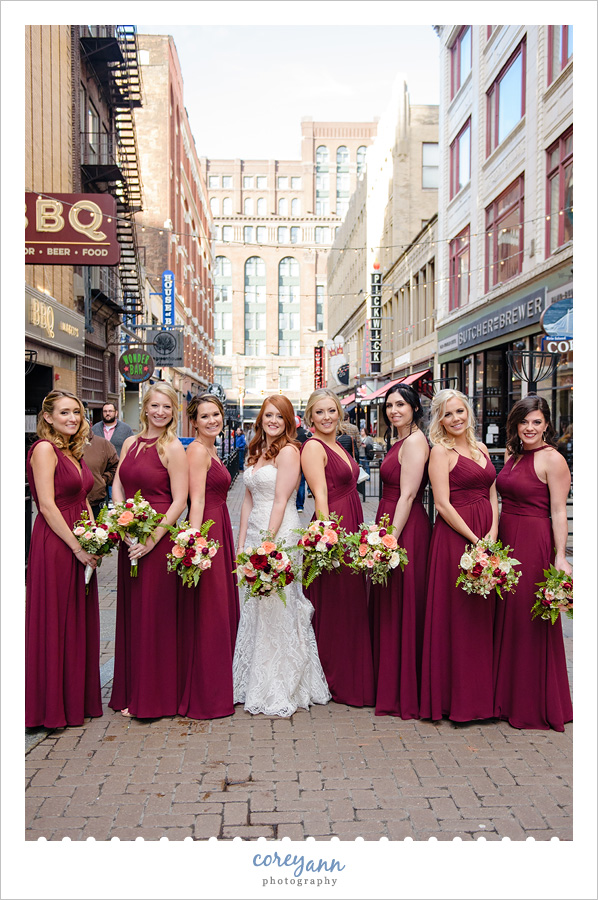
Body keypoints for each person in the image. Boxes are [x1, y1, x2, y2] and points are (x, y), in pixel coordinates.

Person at [233, 395, 330, 717]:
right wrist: (243, 539)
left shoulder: (290, 452)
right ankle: (254, 679)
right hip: (257, 532)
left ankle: (283, 682)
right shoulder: (256, 450)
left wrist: (268, 546)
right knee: (256, 605)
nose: (273, 420)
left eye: (279, 416)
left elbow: (279, 499)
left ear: (289, 422)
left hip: (281, 533)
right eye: (268, 415)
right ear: (261, 418)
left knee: (280, 604)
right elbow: (247, 499)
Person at [108, 384, 188, 719]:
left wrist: (152, 538)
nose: (159, 412)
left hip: (157, 538)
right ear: (144, 408)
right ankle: (131, 690)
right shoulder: (129, 442)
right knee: (133, 615)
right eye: (154, 406)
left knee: (154, 617)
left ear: (173, 412)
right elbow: (118, 484)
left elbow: (179, 501)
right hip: (131, 536)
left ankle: (153, 697)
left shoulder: (172, 447)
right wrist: (121, 521)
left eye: (166, 407)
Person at [493, 396, 573, 731]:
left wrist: (561, 556)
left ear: (547, 425)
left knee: (528, 621)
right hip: (506, 540)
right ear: (516, 424)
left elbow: (558, 511)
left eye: (537, 422)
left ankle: (531, 703)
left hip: (533, 542)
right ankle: (504, 698)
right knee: (505, 618)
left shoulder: (552, 459)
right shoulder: (512, 454)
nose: (530, 428)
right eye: (525, 422)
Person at [420, 389, 498, 723]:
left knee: (484, 616)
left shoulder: (481, 448)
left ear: (469, 412)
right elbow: (442, 504)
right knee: (459, 618)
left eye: (460, 411)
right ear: (439, 419)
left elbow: (494, 494)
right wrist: (474, 539)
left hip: (488, 535)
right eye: (448, 414)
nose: (456, 419)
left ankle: (484, 698)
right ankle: (458, 701)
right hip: (455, 539)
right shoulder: (440, 452)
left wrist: (492, 535)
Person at [25, 390, 102, 728]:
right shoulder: (44, 450)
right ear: (48, 417)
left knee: (76, 619)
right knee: (56, 620)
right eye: (65, 413)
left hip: (79, 538)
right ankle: (49, 708)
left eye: (77, 412)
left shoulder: (72, 451)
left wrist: (96, 536)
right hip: (56, 543)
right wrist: (77, 547)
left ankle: (73, 701)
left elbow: (82, 497)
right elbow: (46, 505)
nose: (72, 418)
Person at [300, 389, 375, 707]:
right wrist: (329, 540)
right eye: (320, 412)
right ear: (310, 418)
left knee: (351, 603)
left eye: (332, 410)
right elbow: (320, 498)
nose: (327, 417)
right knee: (336, 606)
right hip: (335, 530)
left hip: (352, 521)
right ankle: (335, 678)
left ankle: (351, 673)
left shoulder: (338, 443)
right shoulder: (313, 447)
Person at [370, 384, 431, 718]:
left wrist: (390, 539)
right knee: (390, 602)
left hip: (405, 529)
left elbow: (408, 495)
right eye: (389, 405)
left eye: (400, 405)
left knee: (403, 602)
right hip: (389, 523)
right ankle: (389, 681)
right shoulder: (398, 440)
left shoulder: (416, 441)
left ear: (414, 408)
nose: (394, 410)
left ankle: (404, 687)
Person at [177, 394, 240, 720]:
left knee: (219, 609)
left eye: (215, 414)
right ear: (194, 421)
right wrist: (196, 543)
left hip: (221, 528)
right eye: (205, 417)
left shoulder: (211, 448)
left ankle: (220, 683)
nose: (212, 420)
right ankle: (207, 694)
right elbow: (196, 500)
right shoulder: (197, 450)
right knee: (210, 611)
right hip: (208, 531)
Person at [82, 430, 119, 520]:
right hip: (65, 506)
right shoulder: (58, 445)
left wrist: (103, 480)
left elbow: (116, 467)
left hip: (95, 504)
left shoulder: (103, 444)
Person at [294, 414, 310, 512]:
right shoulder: (306, 433)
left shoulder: (289, 434)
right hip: (304, 460)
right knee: (301, 483)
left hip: (292, 460)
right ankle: (300, 505)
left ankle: (294, 504)